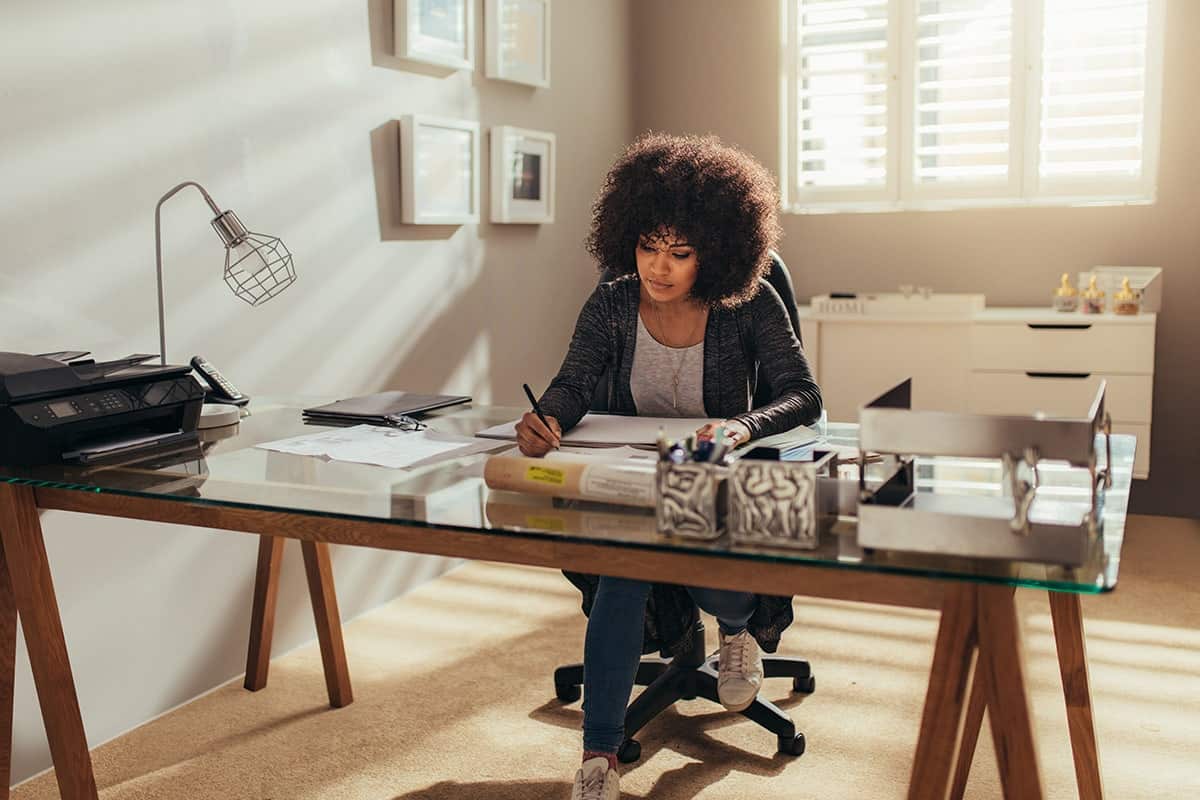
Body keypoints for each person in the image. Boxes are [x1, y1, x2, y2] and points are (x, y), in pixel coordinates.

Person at [515, 132, 822, 800]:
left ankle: (736, 632)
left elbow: (805, 395)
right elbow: (572, 382)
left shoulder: (749, 303)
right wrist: (549, 421)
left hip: (713, 476)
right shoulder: (614, 302)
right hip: (633, 476)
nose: (658, 266)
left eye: (679, 253)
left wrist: (743, 425)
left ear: (715, 252)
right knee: (625, 573)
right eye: (648, 246)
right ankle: (599, 758)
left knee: (705, 573)